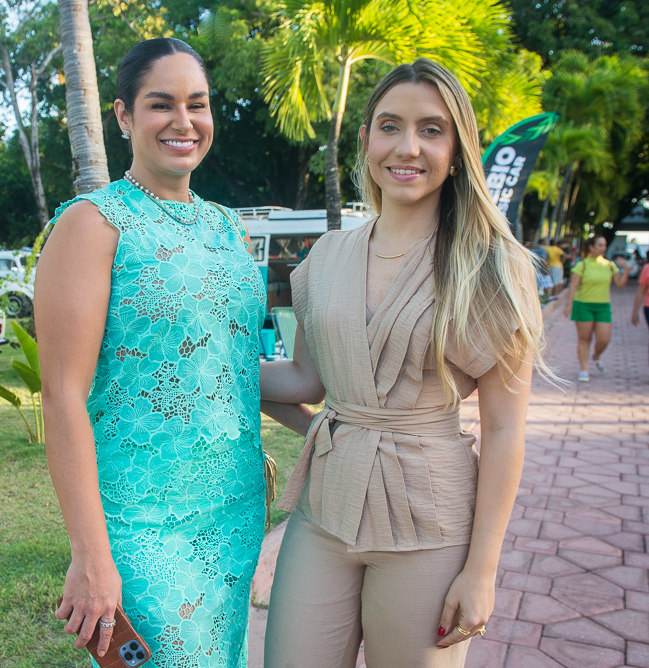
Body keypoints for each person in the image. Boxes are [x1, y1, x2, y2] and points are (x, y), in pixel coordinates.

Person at [259, 59, 544, 668]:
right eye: (390, 126)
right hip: (324, 514)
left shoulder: (492, 267)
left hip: (429, 525)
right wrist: (206, 368)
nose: (407, 147)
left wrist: (482, 571)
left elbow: (503, 429)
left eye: (432, 130)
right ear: (366, 140)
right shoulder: (326, 257)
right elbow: (306, 380)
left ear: (458, 148)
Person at [36, 38, 265, 666]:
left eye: (198, 104)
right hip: (141, 523)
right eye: (161, 104)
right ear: (122, 116)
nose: (183, 122)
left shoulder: (227, 226)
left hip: (234, 511)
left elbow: (229, 365)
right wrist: (90, 554)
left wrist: (340, 416)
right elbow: (62, 395)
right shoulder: (93, 223)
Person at [563, 235, 629, 381]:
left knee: (604, 339)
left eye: (604, 245)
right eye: (600, 245)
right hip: (583, 305)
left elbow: (620, 284)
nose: (603, 248)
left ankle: (597, 356)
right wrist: (569, 306)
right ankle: (584, 370)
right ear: (591, 247)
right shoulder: (582, 265)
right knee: (584, 338)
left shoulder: (609, 265)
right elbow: (573, 286)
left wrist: (625, 269)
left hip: (603, 306)